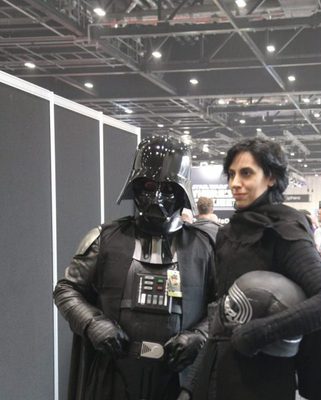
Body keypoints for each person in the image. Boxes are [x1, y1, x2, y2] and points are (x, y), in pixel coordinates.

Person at [53, 136, 216, 400]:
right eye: (149, 186)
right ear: (135, 186)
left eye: (168, 188)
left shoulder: (204, 246)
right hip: (114, 373)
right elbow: (67, 289)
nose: (157, 197)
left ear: (183, 192)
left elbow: (222, 304)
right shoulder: (103, 238)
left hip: (179, 378)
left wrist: (199, 335)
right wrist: (93, 324)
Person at [183, 138, 321, 400]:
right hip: (222, 368)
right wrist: (193, 382)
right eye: (232, 174)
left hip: (264, 377)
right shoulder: (229, 232)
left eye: (246, 173)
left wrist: (261, 332)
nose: (235, 183)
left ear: (270, 177)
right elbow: (220, 312)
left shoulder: (282, 230)